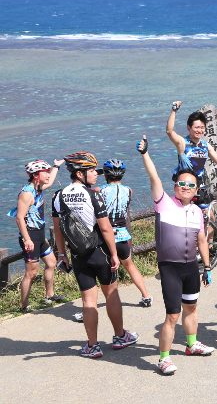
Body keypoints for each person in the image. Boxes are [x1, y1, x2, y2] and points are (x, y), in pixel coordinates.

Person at [137, 136, 214, 375]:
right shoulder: (164, 204)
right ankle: (163, 358)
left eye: (191, 185)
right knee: (172, 315)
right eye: (182, 184)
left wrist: (208, 267)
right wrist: (145, 154)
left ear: (196, 190)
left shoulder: (197, 212)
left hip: (191, 267)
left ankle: (191, 345)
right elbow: (154, 177)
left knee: (192, 308)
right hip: (170, 268)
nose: (186, 188)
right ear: (175, 186)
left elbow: (201, 240)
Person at [52, 152, 138, 358]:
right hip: (100, 252)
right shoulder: (94, 195)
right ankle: (120, 336)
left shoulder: (58, 196)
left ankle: (92, 346)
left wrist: (61, 254)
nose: (96, 174)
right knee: (111, 294)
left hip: (78, 255)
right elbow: (106, 229)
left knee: (88, 302)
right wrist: (115, 254)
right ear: (80, 174)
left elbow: (58, 230)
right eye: (91, 170)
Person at [9, 159, 65, 312]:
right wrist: (27, 240)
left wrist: (56, 166)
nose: (48, 175)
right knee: (31, 273)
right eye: (45, 172)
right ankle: (24, 306)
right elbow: (19, 218)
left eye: (48, 172)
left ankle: (50, 295)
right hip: (30, 237)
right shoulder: (27, 194)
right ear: (35, 175)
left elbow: (51, 181)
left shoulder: (38, 188)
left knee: (51, 263)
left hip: (39, 234)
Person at [98, 159, 153, 307]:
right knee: (130, 265)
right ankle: (146, 296)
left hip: (106, 237)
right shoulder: (129, 190)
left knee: (102, 270)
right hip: (122, 235)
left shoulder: (99, 190)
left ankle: (93, 305)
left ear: (105, 174)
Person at [166, 100, 217, 185]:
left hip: (199, 186)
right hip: (185, 186)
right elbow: (169, 131)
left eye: (202, 127)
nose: (200, 130)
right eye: (196, 127)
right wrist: (174, 110)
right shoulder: (182, 143)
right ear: (189, 127)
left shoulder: (205, 145)